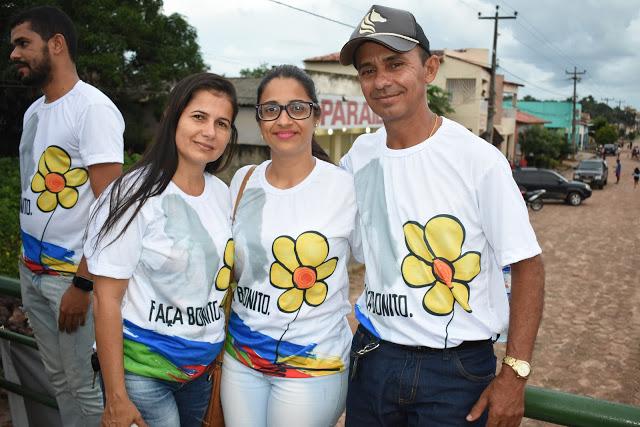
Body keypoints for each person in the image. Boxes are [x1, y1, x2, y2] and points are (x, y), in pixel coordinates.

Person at [338, 5, 545, 426]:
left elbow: (528, 266)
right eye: (368, 70)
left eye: (396, 64)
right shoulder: (358, 157)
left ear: (430, 68)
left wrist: (515, 373)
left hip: (456, 374)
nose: (381, 81)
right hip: (373, 357)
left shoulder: (477, 160)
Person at [83, 73, 238, 427]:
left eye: (222, 123)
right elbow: (105, 299)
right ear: (173, 117)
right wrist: (117, 397)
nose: (209, 132)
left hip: (200, 373)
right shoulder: (132, 194)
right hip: (142, 373)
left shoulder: (222, 194)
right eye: (198, 117)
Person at [220, 65, 358, 427]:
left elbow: (378, 265)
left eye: (297, 107)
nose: (284, 119)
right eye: (271, 109)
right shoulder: (242, 181)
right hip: (242, 357)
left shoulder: (345, 187)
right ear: (260, 119)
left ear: (316, 114)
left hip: (312, 364)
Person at [9, 6, 124, 425]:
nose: (14, 54)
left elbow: (114, 209)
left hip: (71, 279)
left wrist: (83, 281)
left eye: (23, 43)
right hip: (33, 271)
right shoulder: (34, 111)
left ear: (56, 43)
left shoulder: (92, 109)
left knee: (89, 390)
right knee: (60, 382)